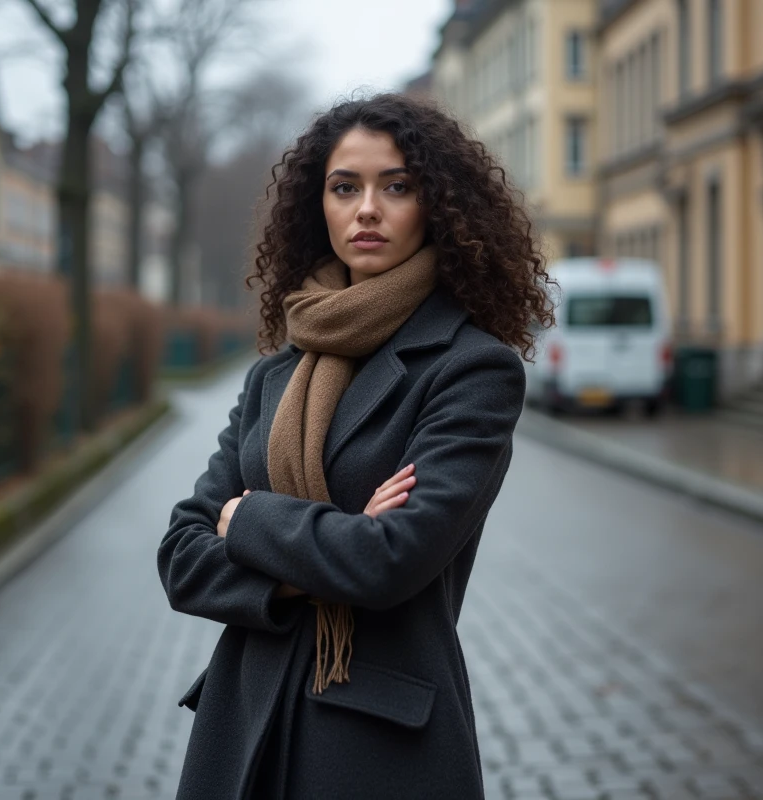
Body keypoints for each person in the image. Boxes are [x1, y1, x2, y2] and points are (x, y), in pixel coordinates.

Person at [157, 93, 555, 800]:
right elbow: (182, 556)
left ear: (435, 205)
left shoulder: (470, 369)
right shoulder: (274, 375)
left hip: (373, 749)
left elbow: (389, 562)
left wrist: (247, 523)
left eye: (396, 186)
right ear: (321, 207)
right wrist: (321, 556)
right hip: (244, 724)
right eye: (346, 187)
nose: (367, 208)